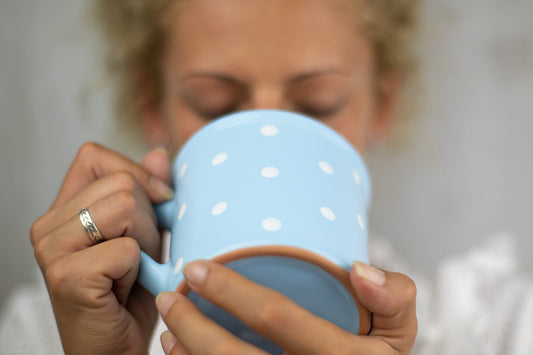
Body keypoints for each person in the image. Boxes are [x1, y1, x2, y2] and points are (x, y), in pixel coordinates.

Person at [2, 0, 531, 354]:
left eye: (317, 104)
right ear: (154, 108)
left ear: (382, 105)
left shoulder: (495, 329)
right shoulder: (49, 331)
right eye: (217, 106)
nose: (268, 131)